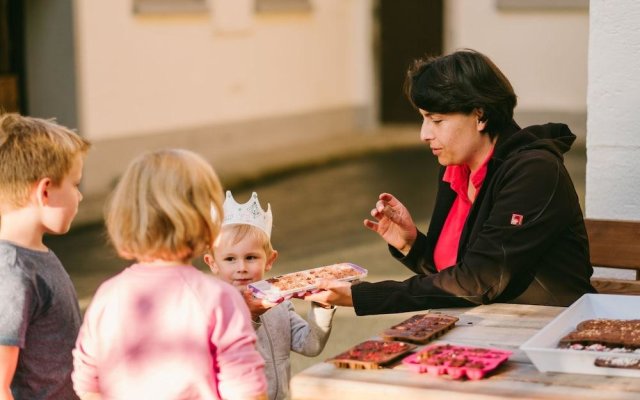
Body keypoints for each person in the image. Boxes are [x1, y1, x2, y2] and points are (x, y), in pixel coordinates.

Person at [306, 49, 595, 315]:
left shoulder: (534, 172)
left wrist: (361, 296)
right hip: (482, 323)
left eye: (436, 120)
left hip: (544, 329)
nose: (424, 134)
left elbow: (479, 281)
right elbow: (456, 276)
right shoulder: (457, 168)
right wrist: (412, 245)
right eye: (423, 119)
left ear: (480, 115)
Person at [71, 150, 267, 400]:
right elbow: (246, 392)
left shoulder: (107, 295)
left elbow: (88, 383)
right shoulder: (218, 298)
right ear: (206, 220)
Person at [204, 191, 336, 400]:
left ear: (269, 259)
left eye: (251, 257)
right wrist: (251, 316)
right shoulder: (214, 308)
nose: (242, 267)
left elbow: (310, 345)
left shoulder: (280, 304)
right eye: (230, 259)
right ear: (212, 263)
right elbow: (222, 358)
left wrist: (323, 306)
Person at [0, 113, 91, 400]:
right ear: (45, 191)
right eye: (75, 185)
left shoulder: (35, 256)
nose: (79, 196)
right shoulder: (13, 272)